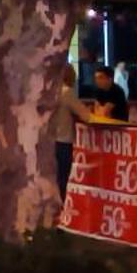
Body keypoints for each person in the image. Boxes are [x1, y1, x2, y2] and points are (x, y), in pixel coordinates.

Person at [55, 62, 98, 196]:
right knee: (62, 179)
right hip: (63, 141)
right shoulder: (66, 92)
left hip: (49, 141)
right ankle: (61, 210)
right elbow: (85, 116)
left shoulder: (48, 91)